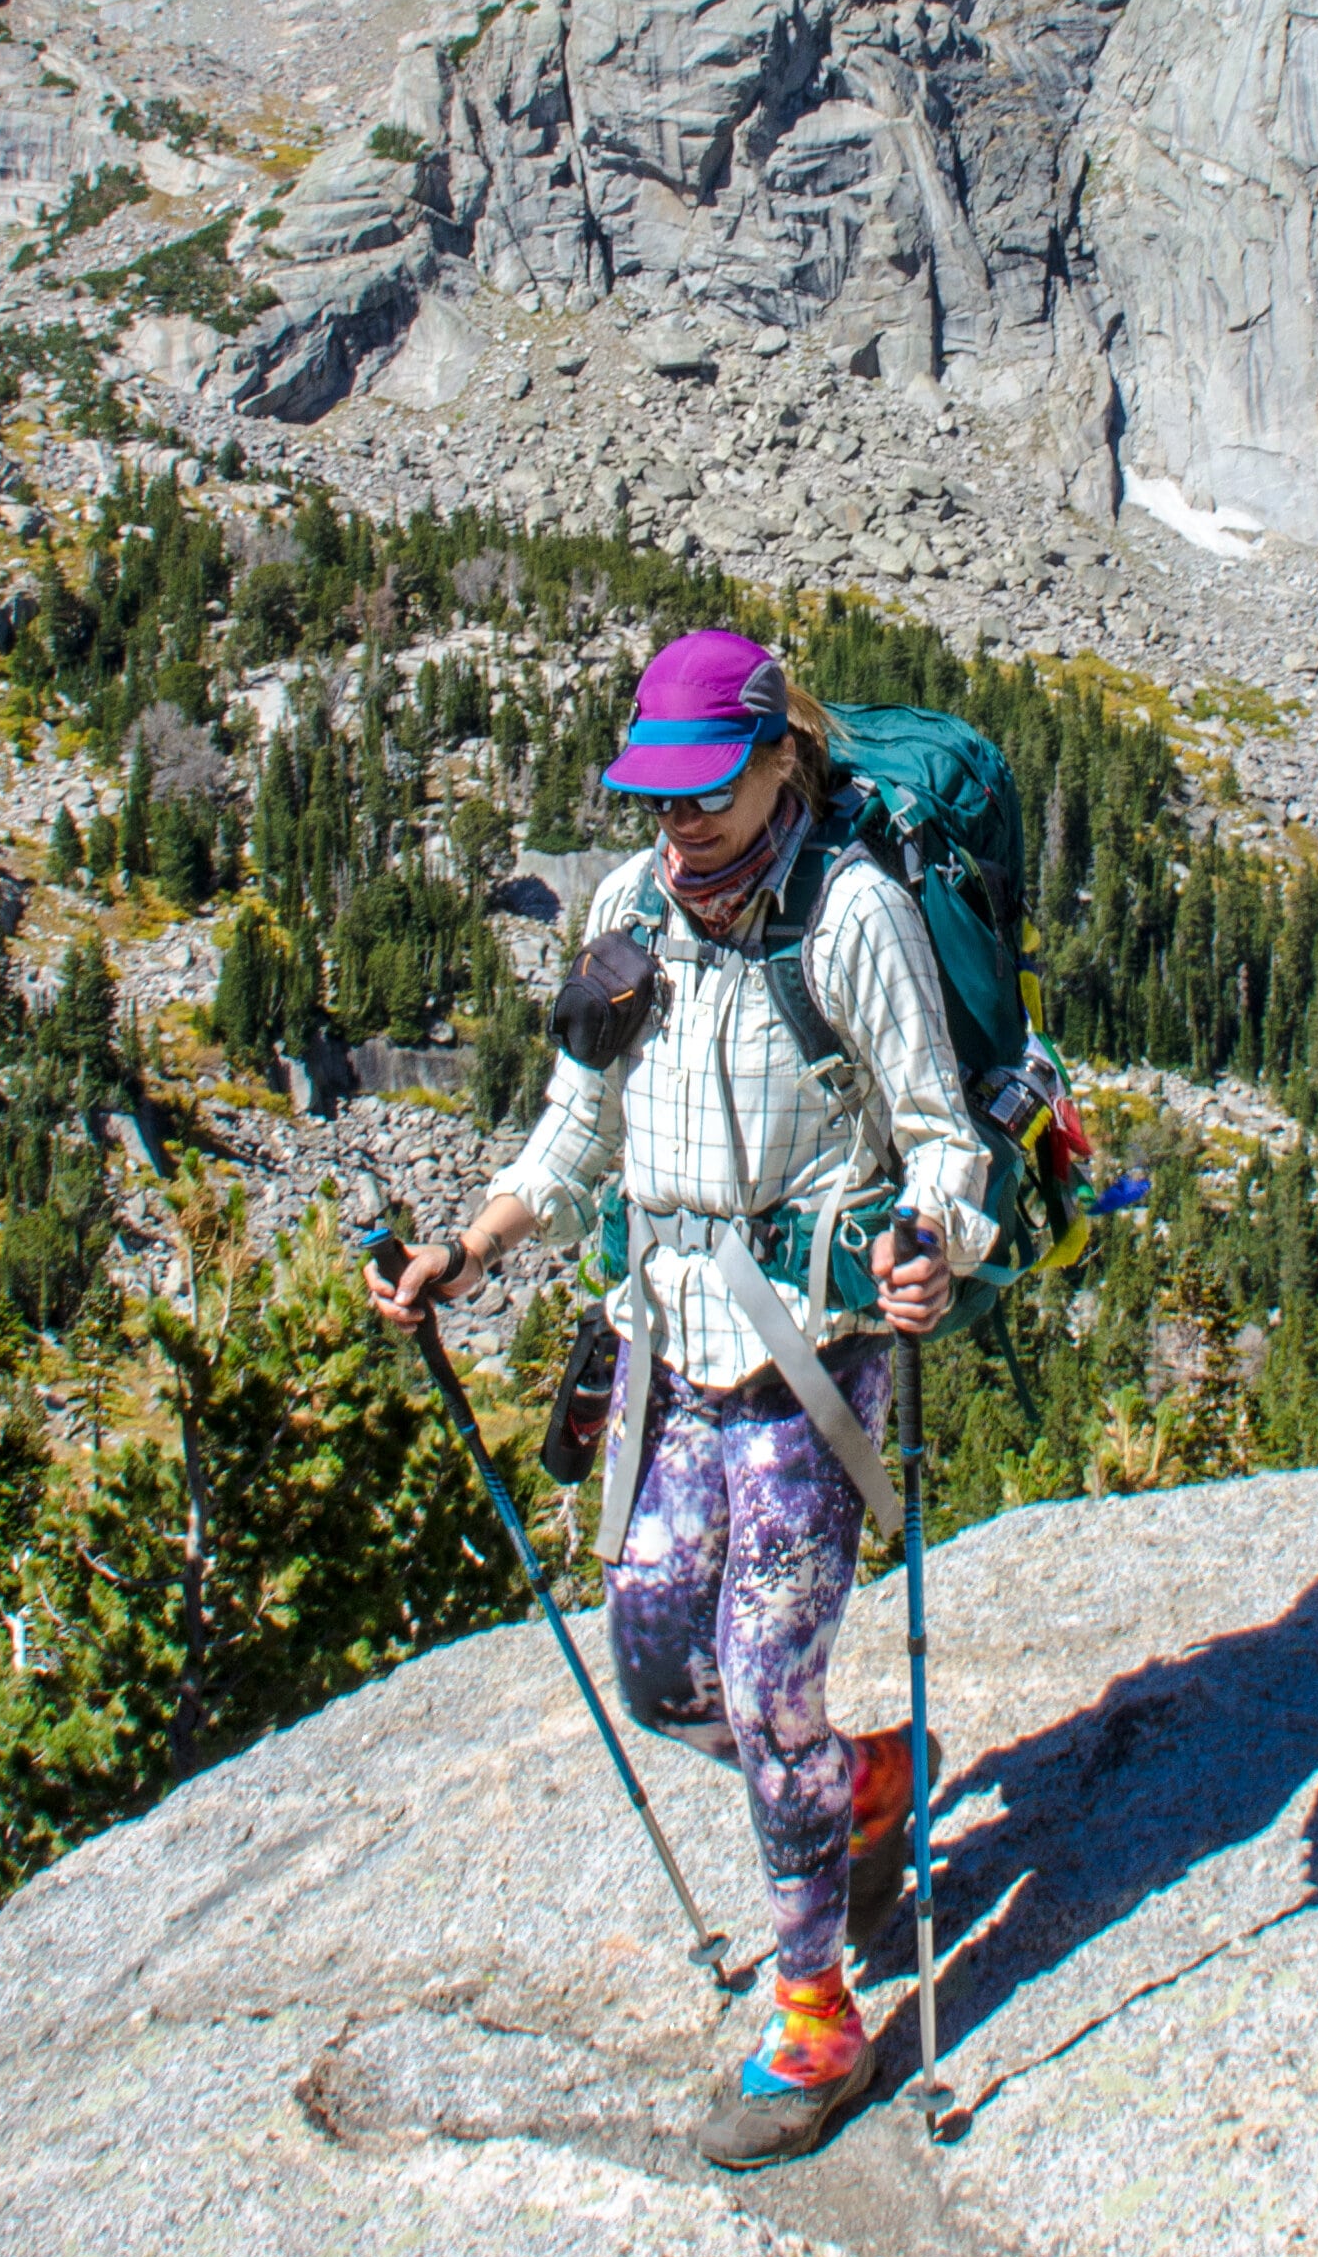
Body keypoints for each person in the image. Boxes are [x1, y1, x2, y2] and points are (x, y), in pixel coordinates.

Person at [368, 627, 994, 2168]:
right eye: (659, 795)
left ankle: (815, 2019)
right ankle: (857, 1792)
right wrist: (466, 1245)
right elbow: (572, 1131)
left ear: (783, 758)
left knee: (763, 1674)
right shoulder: (629, 913)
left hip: (810, 1364)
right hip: (667, 1349)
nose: (682, 823)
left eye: (709, 790)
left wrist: (934, 1251)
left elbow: (944, 1138)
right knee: (660, 1670)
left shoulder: (851, 917)